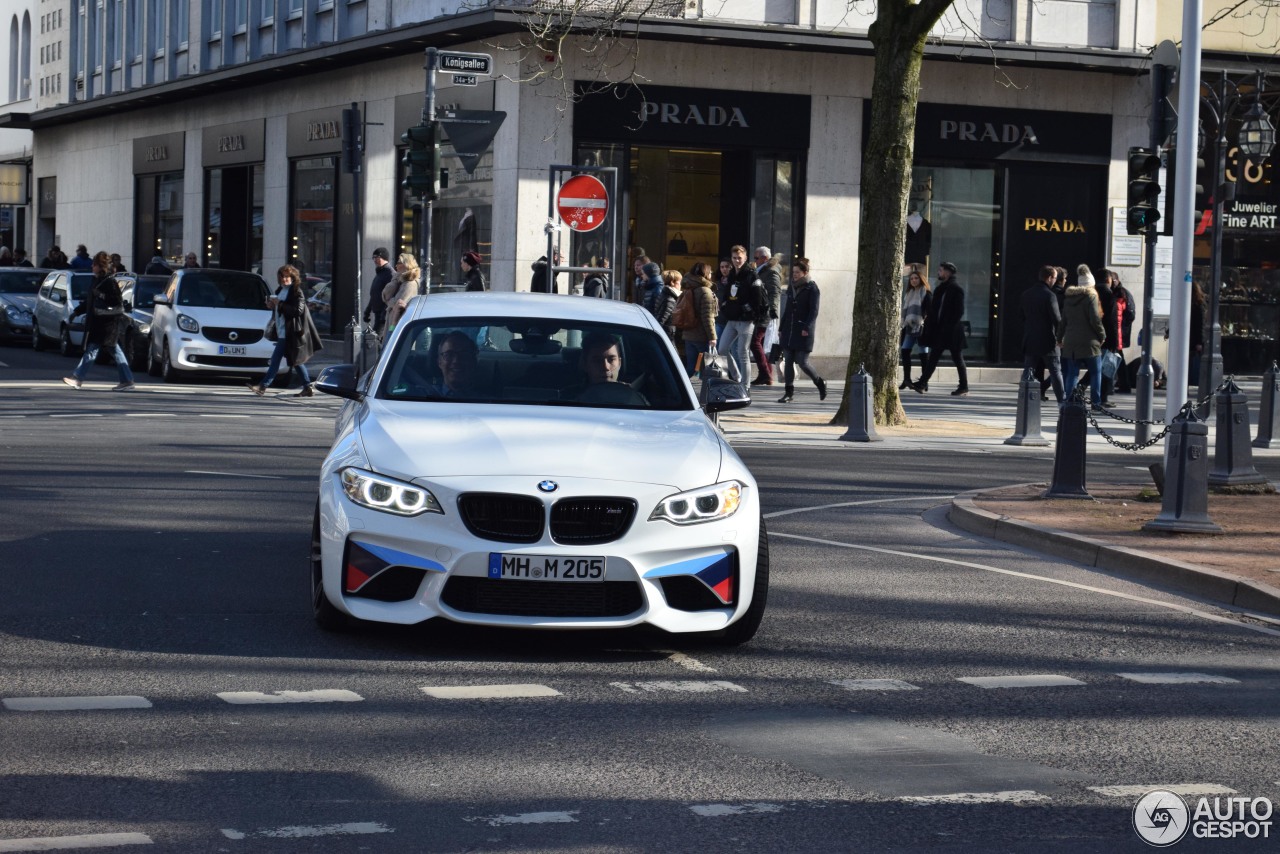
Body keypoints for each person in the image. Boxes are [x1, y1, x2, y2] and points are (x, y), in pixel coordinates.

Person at [62, 251, 135, 392]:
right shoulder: (96, 280)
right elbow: (89, 301)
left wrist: (100, 294)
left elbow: (116, 302)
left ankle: (78, 377)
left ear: (101, 266)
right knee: (114, 351)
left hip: (106, 323)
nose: (91, 266)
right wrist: (77, 311)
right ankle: (127, 380)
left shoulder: (110, 282)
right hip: (98, 322)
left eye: (94, 264)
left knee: (92, 350)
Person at [248, 265, 324, 397]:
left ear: (293, 277)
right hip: (283, 331)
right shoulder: (280, 290)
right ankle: (307, 387)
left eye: (287, 276)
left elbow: (297, 311)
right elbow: (280, 309)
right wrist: (272, 305)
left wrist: (279, 304)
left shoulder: (296, 292)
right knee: (296, 361)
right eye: (282, 276)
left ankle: (262, 386)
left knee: (276, 360)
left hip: (291, 333)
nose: (284, 279)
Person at [911, 261, 969, 396]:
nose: (939, 272)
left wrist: (948, 326)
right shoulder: (941, 288)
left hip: (952, 331)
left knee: (957, 358)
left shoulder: (955, 289)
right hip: (941, 330)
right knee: (934, 357)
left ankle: (963, 386)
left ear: (948, 272)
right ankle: (922, 383)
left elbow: (959, 311)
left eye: (941, 270)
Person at [777, 257, 826, 403]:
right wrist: (781, 327)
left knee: (802, 362)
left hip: (803, 329)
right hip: (789, 330)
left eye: (797, 272)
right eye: (793, 272)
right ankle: (788, 393)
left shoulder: (812, 288)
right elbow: (787, 309)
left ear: (805, 273)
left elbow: (814, 311)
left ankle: (819, 383)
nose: (794, 275)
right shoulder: (791, 287)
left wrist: (807, 327)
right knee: (788, 361)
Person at [718, 245, 765, 385]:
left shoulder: (751, 274)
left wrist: (751, 313)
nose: (737, 260)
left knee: (742, 353)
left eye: (739, 258)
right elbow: (727, 294)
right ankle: (737, 377)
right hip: (732, 318)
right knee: (722, 349)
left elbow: (758, 297)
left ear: (745, 258)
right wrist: (726, 307)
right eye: (734, 258)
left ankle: (745, 385)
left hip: (746, 319)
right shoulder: (733, 274)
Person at [1060, 264, 1106, 408]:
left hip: (1071, 342)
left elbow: (1063, 321)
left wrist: (1059, 338)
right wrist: (1102, 335)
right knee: (1095, 372)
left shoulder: (1068, 299)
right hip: (1090, 342)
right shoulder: (1091, 297)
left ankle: (1069, 401)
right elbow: (1094, 319)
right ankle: (1096, 402)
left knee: (1072, 374)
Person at [1022, 264, 1065, 404]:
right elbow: (1057, 319)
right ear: (1049, 278)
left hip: (1030, 338)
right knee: (1055, 371)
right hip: (1048, 340)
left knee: (1029, 370)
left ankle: (1024, 400)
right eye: (1054, 278)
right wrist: (1060, 338)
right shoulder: (1050, 295)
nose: (1055, 281)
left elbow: (1021, 316)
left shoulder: (1027, 293)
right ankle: (1061, 402)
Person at [572, 331, 648, 406]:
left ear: (619, 363)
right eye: (597, 361)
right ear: (585, 364)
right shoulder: (568, 397)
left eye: (611, 359)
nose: (606, 367)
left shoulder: (634, 398)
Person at [679, 261, 718, 377]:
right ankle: (706, 393)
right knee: (707, 368)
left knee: (691, 367)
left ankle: (678, 389)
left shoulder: (687, 287)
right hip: (701, 335)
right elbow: (707, 317)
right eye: (710, 272)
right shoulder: (705, 292)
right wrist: (712, 337)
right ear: (706, 274)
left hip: (688, 333)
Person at [750, 246, 782, 386]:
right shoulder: (762, 270)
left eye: (756, 258)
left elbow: (774, 292)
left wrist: (772, 311)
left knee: (755, 342)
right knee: (759, 344)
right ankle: (765, 374)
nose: (754, 260)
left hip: (765, 313)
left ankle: (766, 374)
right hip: (760, 311)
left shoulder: (770, 272)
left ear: (765, 258)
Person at [899, 266, 932, 390]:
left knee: (923, 354)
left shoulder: (926, 293)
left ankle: (924, 381)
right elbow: (905, 311)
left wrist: (925, 322)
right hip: (909, 326)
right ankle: (907, 379)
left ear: (921, 279)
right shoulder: (909, 294)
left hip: (922, 327)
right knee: (905, 351)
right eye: (911, 278)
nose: (913, 280)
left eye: (916, 278)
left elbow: (930, 311)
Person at [1105, 269, 1136, 394]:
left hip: (1118, 332)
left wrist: (1123, 326)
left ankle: (1114, 385)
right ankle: (1122, 384)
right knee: (1117, 359)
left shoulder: (1122, 294)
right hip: (1116, 332)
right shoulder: (1116, 293)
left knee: (1113, 359)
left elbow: (1130, 314)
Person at [428, 330, 484, 397]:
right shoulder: (423, 395)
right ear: (439, 362)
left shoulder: (491, 402)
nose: (456, 361)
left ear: (474, 361)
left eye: (464, 355)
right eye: (449, 355)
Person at [382, 253, 420, 332]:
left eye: (399, 263)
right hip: (394, 324)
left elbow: (398, 305)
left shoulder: (410, 284)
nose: (396, 266)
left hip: (397, 326)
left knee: (391, 342)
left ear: (406, 264)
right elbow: (386, 294)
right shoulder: (401, 281)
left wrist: (389, 301)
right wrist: (395, 279)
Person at [363, 247, 392, 333]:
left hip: (383, 317)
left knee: (376, 340)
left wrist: (383, 315)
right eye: (373, 258)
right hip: (378, 314)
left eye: (377, 257)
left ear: (383, 257)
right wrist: (367, 311)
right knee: (373, 339)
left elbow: (390, 296)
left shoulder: (389, 274)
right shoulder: (380, 273)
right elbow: (375, 294)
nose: (374, 260)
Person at [652, 269, 681, 342]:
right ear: (672, 282)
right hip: (668, 332)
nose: (680, 285)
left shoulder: (664, 294)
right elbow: (662, 319)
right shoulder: (670, 299)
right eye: (679, 282)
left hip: (667, 331)